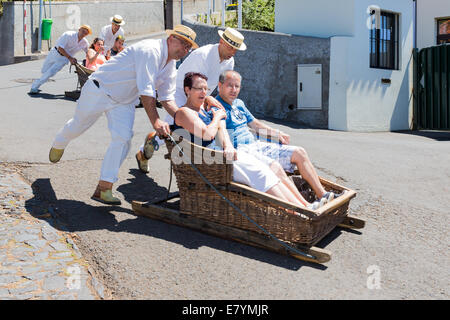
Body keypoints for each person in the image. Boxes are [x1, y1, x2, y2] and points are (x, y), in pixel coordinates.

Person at [48, 25, 199, 205]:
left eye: (188, 47)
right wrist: (156, 121)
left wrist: (186, 121)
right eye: (183, 44)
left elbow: (167, 98)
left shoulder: (170, 65)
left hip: (124, 101)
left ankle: (104, 187)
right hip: (100, 90)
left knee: (123, 138)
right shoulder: (150, 51)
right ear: (171, 38)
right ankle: (60, 142)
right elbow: (147, 91)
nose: (185, 50)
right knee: (77, 126)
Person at [173, 72, 313, 208]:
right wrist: (217, 117)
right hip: (207, 159)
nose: (204, 93)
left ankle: (302, 206)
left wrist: (228, 146)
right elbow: (207, 134)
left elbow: (222, 128)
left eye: (206, 89)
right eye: (199, 89)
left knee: (268, 168)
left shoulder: (205, 108)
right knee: (260, 174)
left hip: (223, 152)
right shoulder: (184, 112)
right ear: (188, 90)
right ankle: (293, 211)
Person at [215, 70, 339, 206]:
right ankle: (304, 206)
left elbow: (255, 124)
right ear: (220, 86)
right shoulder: (216, 106)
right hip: (242, 151)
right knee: (276, 168)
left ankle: (323, 195)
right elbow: (220, 130)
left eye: (237, 86)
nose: (234, 90)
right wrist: (228, 146)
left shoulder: (239, 103)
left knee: (299, 152)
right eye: (230, 85)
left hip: (255, 145)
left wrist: (276, 133)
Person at [135, 27, 246, 174]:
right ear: (221, 42)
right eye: (231, 47)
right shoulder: (203, 55)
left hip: (200, 95)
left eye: (235, 49)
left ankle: (190, 168)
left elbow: (213, 85)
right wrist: (207, 98)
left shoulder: (229, 62)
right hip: (182, 92)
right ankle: (144, 152)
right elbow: (191, 84)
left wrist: (211, 100)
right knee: (173, 129)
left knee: (193, 130)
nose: (233, 52)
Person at [29, 25, 91, 94]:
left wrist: (94, 58)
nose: (83, 34)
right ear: (79, 29)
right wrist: (70, 58)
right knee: (44, 70)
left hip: (64, 59)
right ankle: (41, 79)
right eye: (83, 31)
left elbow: (88, 52)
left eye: (86, 33)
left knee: (50, 73)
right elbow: (60, 48)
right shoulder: (68, 35)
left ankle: (34, 86)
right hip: (55, 53)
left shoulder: (85, 43)